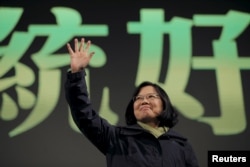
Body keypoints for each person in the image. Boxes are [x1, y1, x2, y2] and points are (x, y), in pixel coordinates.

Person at [65, 38, 199, 167]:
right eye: (138, 98)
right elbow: (84, 114)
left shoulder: (181, 145)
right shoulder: (116, 138)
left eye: (151, 96)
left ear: (164, 104)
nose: (144, 101)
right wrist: (77, 74)